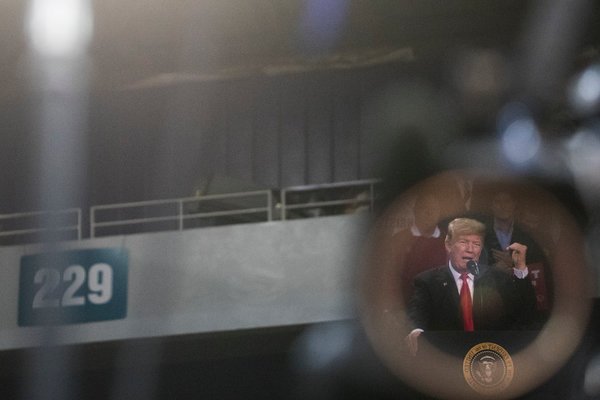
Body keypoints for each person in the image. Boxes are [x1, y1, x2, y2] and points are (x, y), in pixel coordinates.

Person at [406, 218, 537, 356]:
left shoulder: (497, 278)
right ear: (448, 245)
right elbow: (417, 314)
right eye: (463, 242)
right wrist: (416, 331)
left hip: (489, 358)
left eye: (476, 244)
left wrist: (520, 268)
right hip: (449, 359)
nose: (470, 250)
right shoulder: (428, 281)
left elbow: (526, 313)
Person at [395, 193, 448, 303]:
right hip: (408, 305)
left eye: (434, 209)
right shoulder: (399, 240)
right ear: (415, 211)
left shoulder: (449, 240)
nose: (429, 213)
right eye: (425, 208)